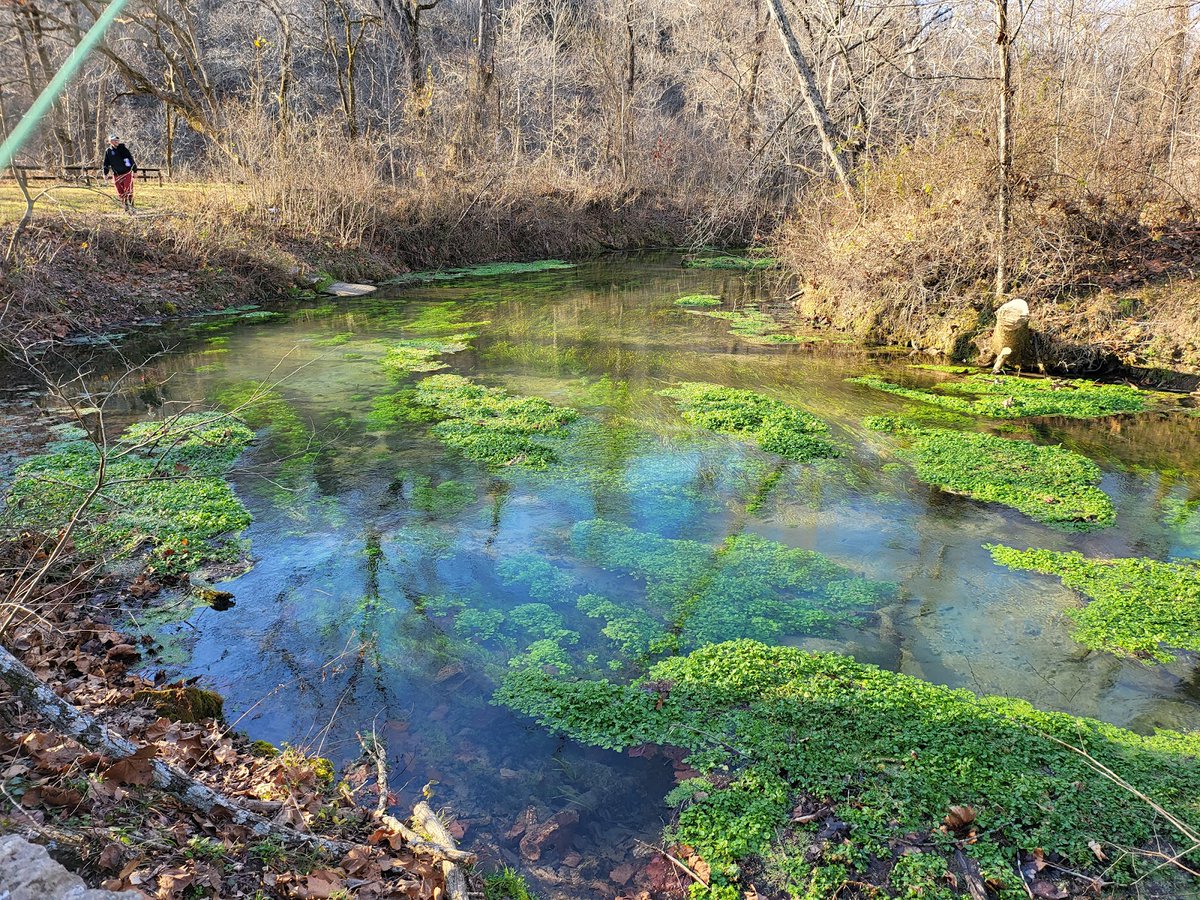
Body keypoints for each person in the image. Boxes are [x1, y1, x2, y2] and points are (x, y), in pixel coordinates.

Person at [103, 134, 137, 213]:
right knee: (120, 193)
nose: (117, 142)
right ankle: (126, 208)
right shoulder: (108, 151)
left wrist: (134, 170)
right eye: (115, 140)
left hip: (126, 173)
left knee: (128, 191)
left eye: (117, 140)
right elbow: (106, 163)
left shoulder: (123, 149)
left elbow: (130, 159)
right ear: (110, 142)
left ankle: (132, 207)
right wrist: (105, 173)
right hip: (116, 174)